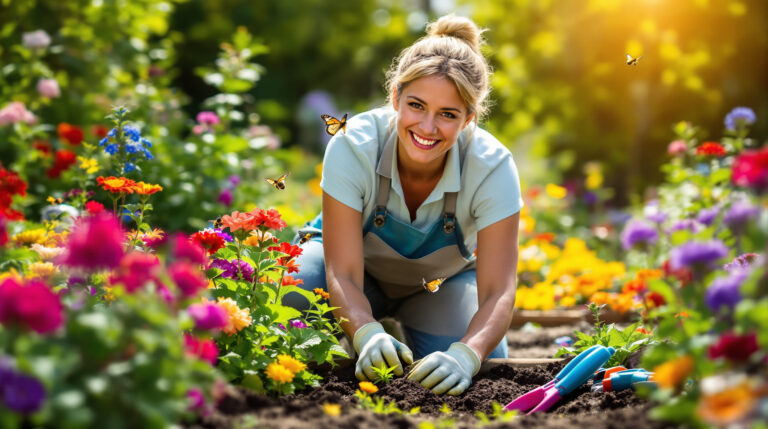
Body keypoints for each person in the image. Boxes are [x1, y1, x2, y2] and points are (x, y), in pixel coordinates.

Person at [286, 14, 522, 396]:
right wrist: (363, 330)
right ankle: (374, 330)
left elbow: (499, 291)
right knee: (291, 293)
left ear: (468, 119)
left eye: (448, 114)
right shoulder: (353, 145)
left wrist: (467, 353)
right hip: (352, 276)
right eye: (416, 105)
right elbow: (343, 272)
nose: (428, 128)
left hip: (436, 287)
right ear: (395, 96)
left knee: (488, 363)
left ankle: (402, 330)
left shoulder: (492, 166)